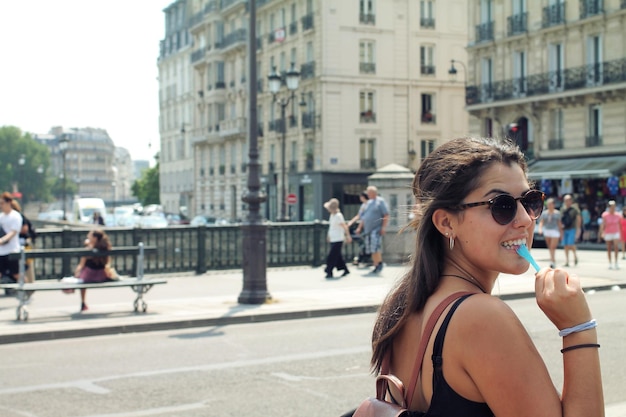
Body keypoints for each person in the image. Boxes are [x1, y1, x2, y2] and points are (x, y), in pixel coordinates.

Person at [365, 137, 602, 417]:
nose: (526, 219)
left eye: (530, 201)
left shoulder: (406, 301)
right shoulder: (481, 316)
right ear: (446, 222)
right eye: (502, 205)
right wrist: (577, 327)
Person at [73, 229, 112, 311]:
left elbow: (81, 265)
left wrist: (76, 273)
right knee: (83, 275)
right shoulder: (105, 247)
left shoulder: (88, 249)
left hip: (88, 276)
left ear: (94, 238)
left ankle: (83, 302)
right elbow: (108, 263)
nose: (87, 237)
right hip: (101, 276)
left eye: (89, 236)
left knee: (81, 277)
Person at [355, 185, 389, 274]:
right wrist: (359, 227)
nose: (368, 194)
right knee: (370, 248)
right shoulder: (368, 203)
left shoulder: (380, 201)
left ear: (374, 193)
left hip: (376, 229)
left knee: (375, 247)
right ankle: (376, 264)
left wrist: (383, 227)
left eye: (369, 192)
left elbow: (386, 215)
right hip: (368, 230)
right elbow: (364, 217)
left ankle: (380, 263)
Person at [323, 198, 352, 279]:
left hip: (338, 239)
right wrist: (328, 236)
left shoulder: (339, 216)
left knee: (332, 256)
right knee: (338, 256)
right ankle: (345, 269)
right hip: (333, 238)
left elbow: (344, 227)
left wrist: (348, 236)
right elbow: (331, 227)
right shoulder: (332, 216)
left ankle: (329, 270)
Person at [10, 199, 37, 283]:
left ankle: (29, 285)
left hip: (24, 245)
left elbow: (25, 229)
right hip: (15, 245)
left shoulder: (19, 217)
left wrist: (12, 230)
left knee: (27, 266)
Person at [0, 192, 23, 284]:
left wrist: (3, 240)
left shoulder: (15, 216)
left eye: (2, 203)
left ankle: (28, 288)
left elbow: (14, 232)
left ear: (9, 202)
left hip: (12, 250)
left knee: (15, 274)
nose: (1, 206)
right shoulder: (1, 217)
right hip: (1, 251)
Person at [537, 197, 562, 268]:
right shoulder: (544, 213)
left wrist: (561, 233)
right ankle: (552, 260)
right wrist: (540, 229)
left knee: (552, 247)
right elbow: (542, 222)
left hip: (555, 230)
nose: (549, 205)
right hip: (547, 230)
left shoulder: (557, 213)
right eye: (548, 204)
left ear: (553, 205)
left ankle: (553, 260)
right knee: (550, 247)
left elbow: (559, 223)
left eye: (551, 204)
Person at [347, 191, 371, 266]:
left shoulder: (369, 205)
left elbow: (364, 218)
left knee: (366, 243)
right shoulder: (363, 205)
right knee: (363, 243)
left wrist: (359, 227)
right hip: (364, 226)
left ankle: (364, 259)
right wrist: (350, 222)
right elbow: (359, 216)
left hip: (368, 227)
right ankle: (362, 259)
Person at [599, 200, 621, 269]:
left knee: (616, 247)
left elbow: (620, 224)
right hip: (608, 232)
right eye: (611, 206)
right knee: (609, 248)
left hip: (615, 232)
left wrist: (621, 233)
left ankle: (616, 262)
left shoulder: (618, 215)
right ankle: (610, 262)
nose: (613, 208)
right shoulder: (605, 215)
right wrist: (602, 232)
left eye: (614, 206)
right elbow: (603, 224)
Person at [560, 194, 580, 266]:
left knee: (570, 244)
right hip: (564, 229)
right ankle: (567, 261)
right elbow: (561, 219)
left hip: (572, 228)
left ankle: (575, 256)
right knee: (565, 245)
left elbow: (578, 219)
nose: (567, 202)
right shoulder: (563, 209)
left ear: (571, 201)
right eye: (565, 200)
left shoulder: (574, 209)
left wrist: (578, 229)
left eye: (568, 200)